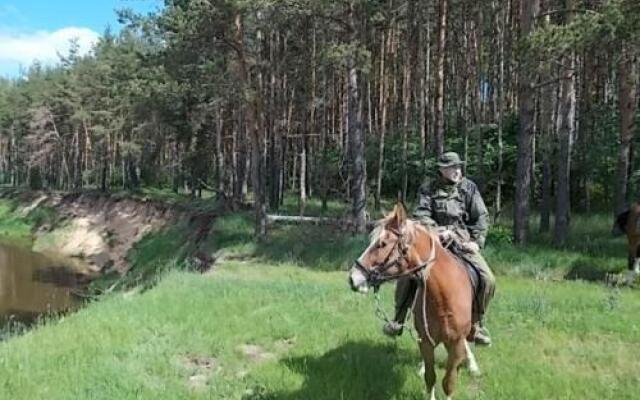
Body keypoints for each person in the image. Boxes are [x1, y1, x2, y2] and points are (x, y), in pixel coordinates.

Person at [383, 151, 496, 345]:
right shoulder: (428, 189)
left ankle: (476, 325)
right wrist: (437, 231)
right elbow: (421, 214)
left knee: (488, 279)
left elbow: (481, 217)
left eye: (458, 167)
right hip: (434, 241)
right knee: (408, 275)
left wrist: (476, 242)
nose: (456, 171)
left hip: (461, 242)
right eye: (452, 167)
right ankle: (398, 320)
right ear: (442, 170)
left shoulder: (469, 188)